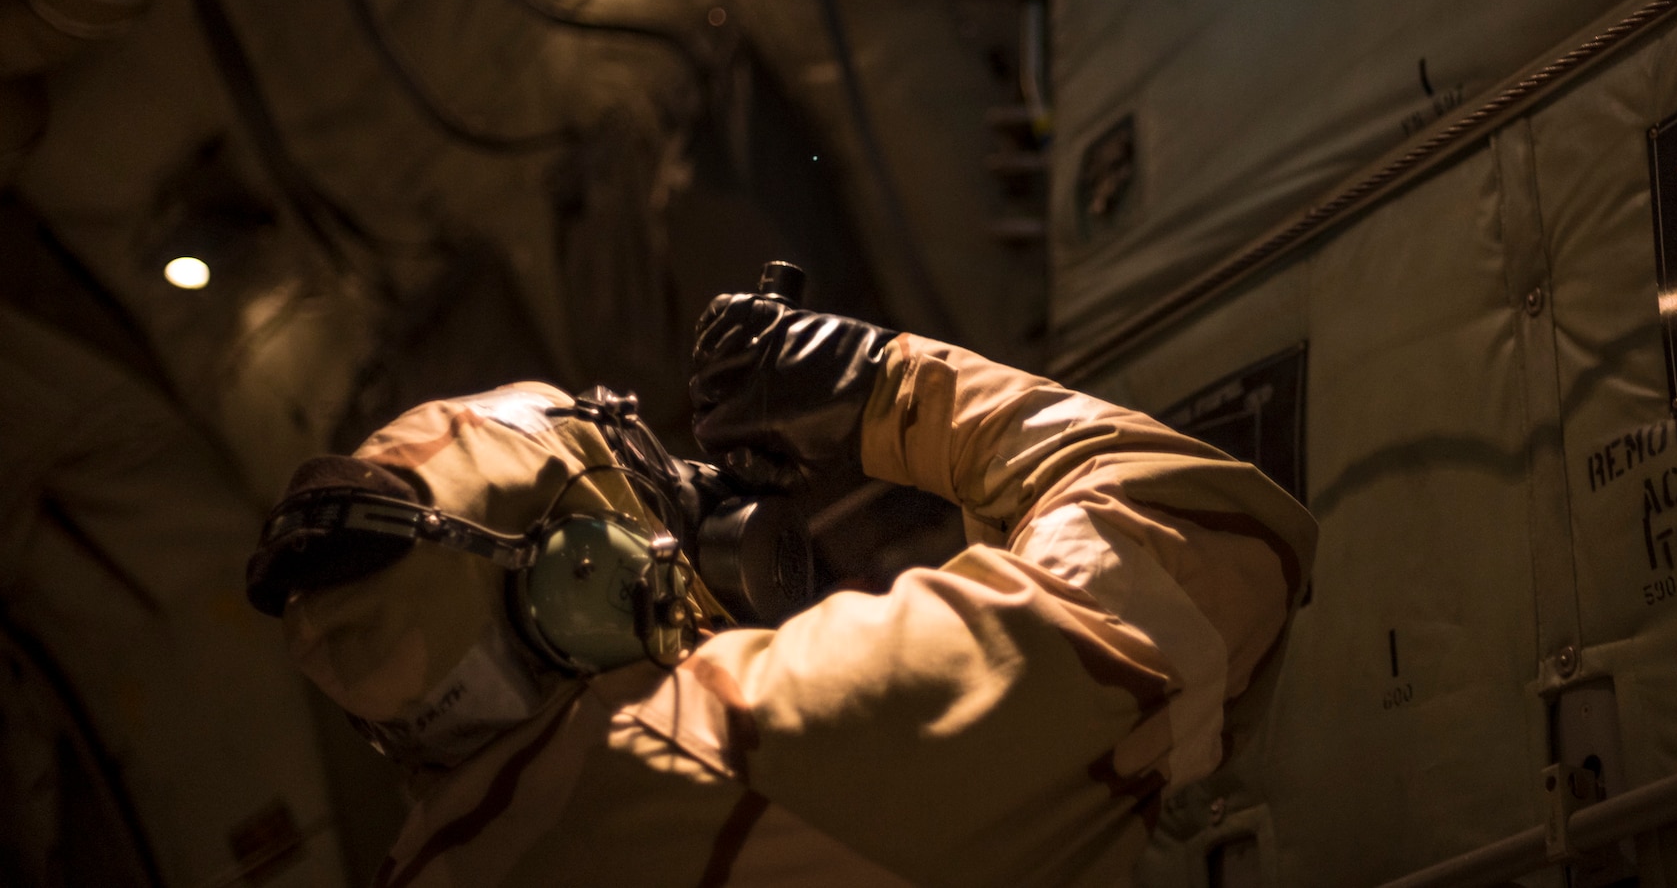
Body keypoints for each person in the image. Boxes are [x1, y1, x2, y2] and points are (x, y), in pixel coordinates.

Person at [247, 290, 1317, 886]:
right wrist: (893, 391)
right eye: (644, 502)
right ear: (580, 577)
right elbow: (1201, 530)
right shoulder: (737, 740)